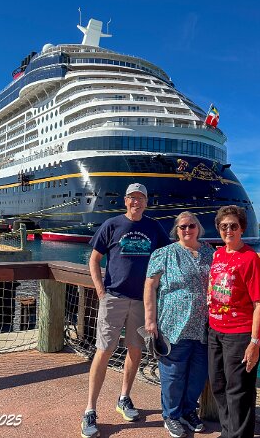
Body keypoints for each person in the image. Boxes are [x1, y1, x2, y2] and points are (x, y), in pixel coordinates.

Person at [81, 183, 170, 438]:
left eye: (141, 198)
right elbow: (94, 259)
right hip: (114, 298)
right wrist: (101, 291)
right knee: (104, 350)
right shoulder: (112, 225)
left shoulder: (154, 227)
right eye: (132, 197)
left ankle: (124, 397)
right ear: (125, 200)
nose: (136, 202)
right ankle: (90, 409)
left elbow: (168, 255)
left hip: (142, 301)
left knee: (135, 349)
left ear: (146, 202)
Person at [144, 211, 214, 438]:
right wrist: (150, 319)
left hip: (203, 326)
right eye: (182, 227)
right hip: (173, 326)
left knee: (198, 373)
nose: (187, 230)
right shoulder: (163, 254)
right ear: (176, 230)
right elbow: (150, 286)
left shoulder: (210, 252)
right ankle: (171, 416)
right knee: (173, 374)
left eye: (191, 225)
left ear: (198, 228)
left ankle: (188, 410)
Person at [207, 205, 260, 438]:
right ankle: (227, 432)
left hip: (239, 333)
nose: (228, 230)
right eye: (224, 226)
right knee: (218, 385)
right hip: (215, 330)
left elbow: (259, 303)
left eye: (233, 226)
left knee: (239, 391)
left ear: (242, 228)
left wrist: (255, 342)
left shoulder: (249, 258)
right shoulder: (218, 254)